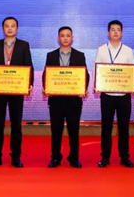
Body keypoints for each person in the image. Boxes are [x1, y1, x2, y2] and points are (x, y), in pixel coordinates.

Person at [0, 17, 34, 168]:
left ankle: (16, 157)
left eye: (13, 26)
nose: (10, 28)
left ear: (17, 29)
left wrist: (29, 83)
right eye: (7, 26)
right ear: (3, 28)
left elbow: (28, 65)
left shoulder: (24, 45)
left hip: (16, 90)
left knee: (16, 125)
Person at [44, 26, 88, 168]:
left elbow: (85, 75)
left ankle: (74, 158)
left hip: (74, 100)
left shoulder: (79, 55)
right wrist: (46, 87)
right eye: (62, 36)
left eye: (68, 35)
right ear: (58, 38)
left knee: (74, 130)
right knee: (56, 131)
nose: (65, 38)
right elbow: (46, 74)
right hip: (56, 100)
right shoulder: (51, 55)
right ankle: (55, 158)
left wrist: (83, 89)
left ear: (72, 38)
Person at [95, 20, 134, 168]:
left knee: (124, 127)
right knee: (106, 127)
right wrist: (97, 85)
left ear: (122, 33)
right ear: (108, 32)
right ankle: (105, 157)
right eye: (112, 29)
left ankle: (124, 157)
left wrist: (132, 85)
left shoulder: (128, 50)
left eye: (118, 29)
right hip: (107, 95)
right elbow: (97, 69)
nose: (115, 32)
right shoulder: (101, 50)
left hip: (124, 96)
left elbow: (131, 71)